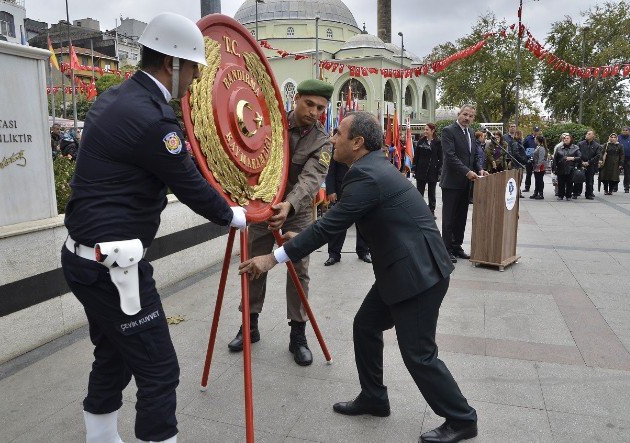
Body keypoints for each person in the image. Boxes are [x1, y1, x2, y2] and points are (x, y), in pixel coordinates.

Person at [60, 13, 247, 443]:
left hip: (85, 258)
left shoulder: (117, 98)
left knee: (113, 355)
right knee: (160, 371)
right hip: (114, 268)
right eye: (195, 69)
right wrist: (235, 215)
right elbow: (191, 184)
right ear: (172, 63)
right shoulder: (152, 119)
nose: (197, 81)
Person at [238, 111, 478, 443]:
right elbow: (334, 221)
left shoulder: (367, 174)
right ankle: (374, 398)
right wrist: (301, 239)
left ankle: (462, 418)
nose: (332, 138)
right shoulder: (371, 168)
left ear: (358, 142)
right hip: (403, 269)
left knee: (419, 353)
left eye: (338, 133)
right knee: (365, 325)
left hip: (419, 275)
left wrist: (271, 258)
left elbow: (330, 225)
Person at [226, 79, 333, 367]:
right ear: (296, 98)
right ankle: (249, 325)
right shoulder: (269, 123)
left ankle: (298, 334)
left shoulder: (322, 140)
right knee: (253, 265)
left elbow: (312, 178)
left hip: (295, 211)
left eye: (320, 108)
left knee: (299, 270)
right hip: (263, 206)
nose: (314, 112)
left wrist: (289, 204)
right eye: (309, 103)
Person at [440, 104, 488, 263]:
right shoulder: (448, 131)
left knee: (461, 217)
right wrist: (467, 172)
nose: (467, 118)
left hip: (466, 183)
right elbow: (450, 156)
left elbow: (473, 156)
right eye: (465, 114)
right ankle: (446, 249)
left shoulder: (471, 133)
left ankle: (456, 246)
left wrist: (480, 169)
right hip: (452, 182)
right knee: (449, 218)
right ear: (459, 114)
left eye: (471, 116)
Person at [324, 129, 372, 266]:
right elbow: (330, 171)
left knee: (363, 222)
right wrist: (331, 190)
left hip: (360, 190)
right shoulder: (337, 148)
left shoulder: (363, 148)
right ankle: (333, 254)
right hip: (341, 190)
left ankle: (363, 251)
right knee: (338, 223)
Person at [413, 122, 442, 218]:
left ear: (432, 131)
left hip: (432, 172)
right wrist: (414, 169)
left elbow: (441, 158)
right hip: (421, 171)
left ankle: (431, 211)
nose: (425, 131)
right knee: (419, 192)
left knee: (431, 193)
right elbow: (416, 156)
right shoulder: (421, 141)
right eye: (424, 129)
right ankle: (419, 211)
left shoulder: (438, 142)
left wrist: (439, 171)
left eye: (427, 129)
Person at [553, 133, 581, 201]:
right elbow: (555, 159)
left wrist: (572, 158)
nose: (565, 140)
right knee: (561, 183)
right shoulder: (559, 148)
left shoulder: (575, 148)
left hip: (571, 168)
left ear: (571, 139)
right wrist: (554, 168)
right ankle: (560, 195)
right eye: (564, 138)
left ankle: (568, 195)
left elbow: (580, 158)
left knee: (569, 183)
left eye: (567, 138)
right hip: (561, 168)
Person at [575, 130, 602, 199]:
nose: (587, 135)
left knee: (589, 181)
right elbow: (577, 153)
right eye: (587, 133)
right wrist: (582, 162)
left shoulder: (597, 145)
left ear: (593, 136)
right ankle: (576, 193)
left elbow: (598, 156)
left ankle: (589, 194)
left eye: (589, 134)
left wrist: (589, 162)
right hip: (581, 164)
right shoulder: (580, 144)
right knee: (578, 179)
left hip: (591, 165)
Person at [522, 126, 541, 193]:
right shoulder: (528, 138)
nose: (536, 132)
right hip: (529, 158)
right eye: (535, 131)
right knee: (528, 173)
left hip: (537, 159)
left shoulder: (540, 138)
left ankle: (537, 188)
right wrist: (526, 154)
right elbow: (523, 146)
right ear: (533, 131)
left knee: (537, 174)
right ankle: (527, 187)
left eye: (537, 131)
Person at [529, 136, 548, 200]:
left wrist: (538, 166)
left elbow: (541, 158)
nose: (534, 140)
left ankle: (541, 194)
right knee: (537, 180)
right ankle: (536, 192)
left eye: (535, 139)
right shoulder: (538, 147)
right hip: (536, 165)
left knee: (539, 180)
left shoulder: (541, 148)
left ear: (537, 140)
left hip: (540, 166)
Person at [617, 126, 630, 193]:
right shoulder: (618, 137)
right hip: (618, 158)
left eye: (626, 130)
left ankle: (626, 187)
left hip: (628, 158)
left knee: (627, 174)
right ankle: (614, 187)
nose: (625, 131)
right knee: (616, 173)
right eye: (623, 130)